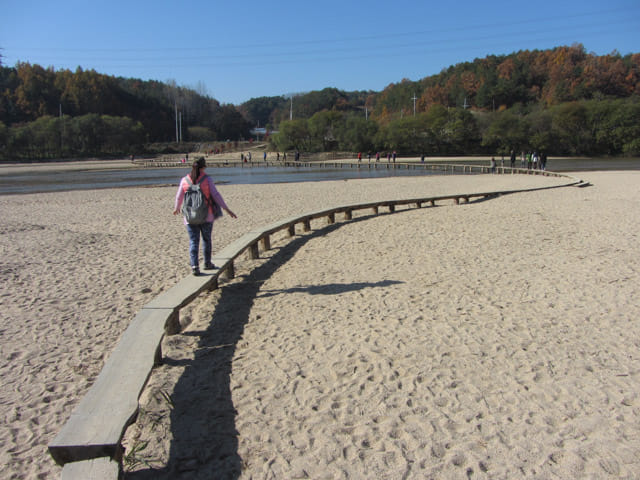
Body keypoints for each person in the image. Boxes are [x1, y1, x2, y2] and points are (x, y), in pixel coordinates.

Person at [173, 157, 237, 275]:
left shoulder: (184, 180)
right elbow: (216, 195)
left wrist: (176, 208)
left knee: (193, 241)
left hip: (190, 217)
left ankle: (194, 266)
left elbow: (179, 196)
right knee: (206, 239)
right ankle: (207, 263)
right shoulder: (207, 179)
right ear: (203, 167)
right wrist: (226, 209)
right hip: (207, 215)